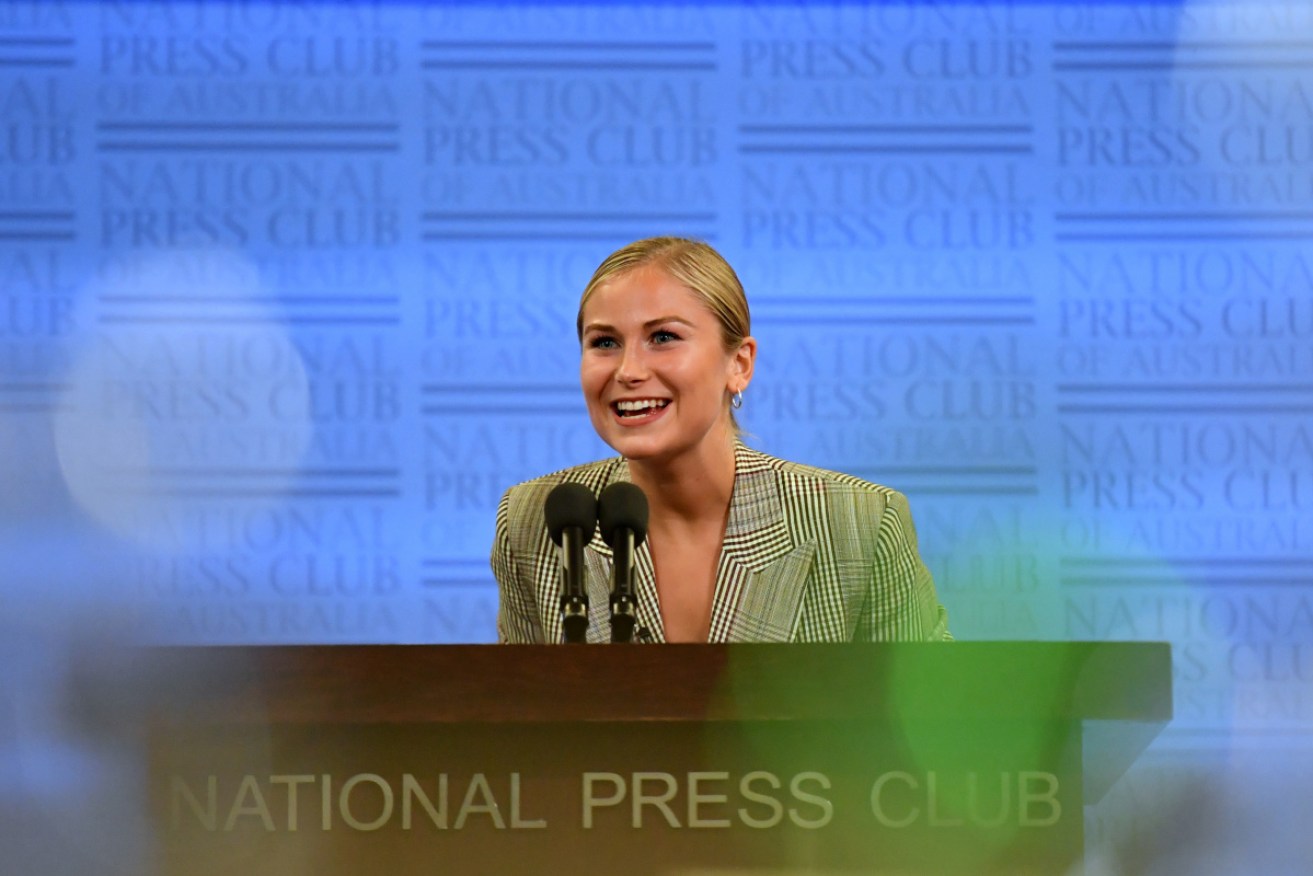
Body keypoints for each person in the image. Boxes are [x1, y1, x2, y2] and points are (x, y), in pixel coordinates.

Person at [491, 237, 950, 643]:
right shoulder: (536, 522)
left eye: (663, 337)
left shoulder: (857, 523)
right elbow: (520, 725)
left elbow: (935, 723)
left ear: (740, 364)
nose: (628, 371)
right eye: (604, 343)